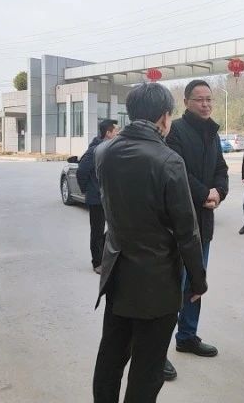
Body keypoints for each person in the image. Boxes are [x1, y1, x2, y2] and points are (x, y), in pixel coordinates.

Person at [92, 83, 207, 403]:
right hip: (157, 282)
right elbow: (187, 231)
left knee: (111, 357)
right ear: (165, 118)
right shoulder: (168, 160)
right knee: (148, 368)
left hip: (117, 274)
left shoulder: (104, 152)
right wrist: (198, 280)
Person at [164, 79, 228, 380]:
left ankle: (187, 337)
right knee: (171, 288)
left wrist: (219, 192)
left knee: (195, 284)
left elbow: (221, 169)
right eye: (200, 99)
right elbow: (177, 171)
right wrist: (204, 194)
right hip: (178, 225)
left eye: (209, 99)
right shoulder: (175, 131)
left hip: (203, 224)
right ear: (186, 102)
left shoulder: (212, 133)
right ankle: (157, 350)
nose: (206, 104)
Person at [76, 118, 119, 274]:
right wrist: (88, 190)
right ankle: (97, 263)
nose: (118, 133)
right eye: (116, 131)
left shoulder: (110, 148)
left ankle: (105, 255)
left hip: (110, 197)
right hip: (97, 199)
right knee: (97, 231)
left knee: (116, 227)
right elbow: (81, 171)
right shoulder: (94, 150)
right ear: (108, 133)